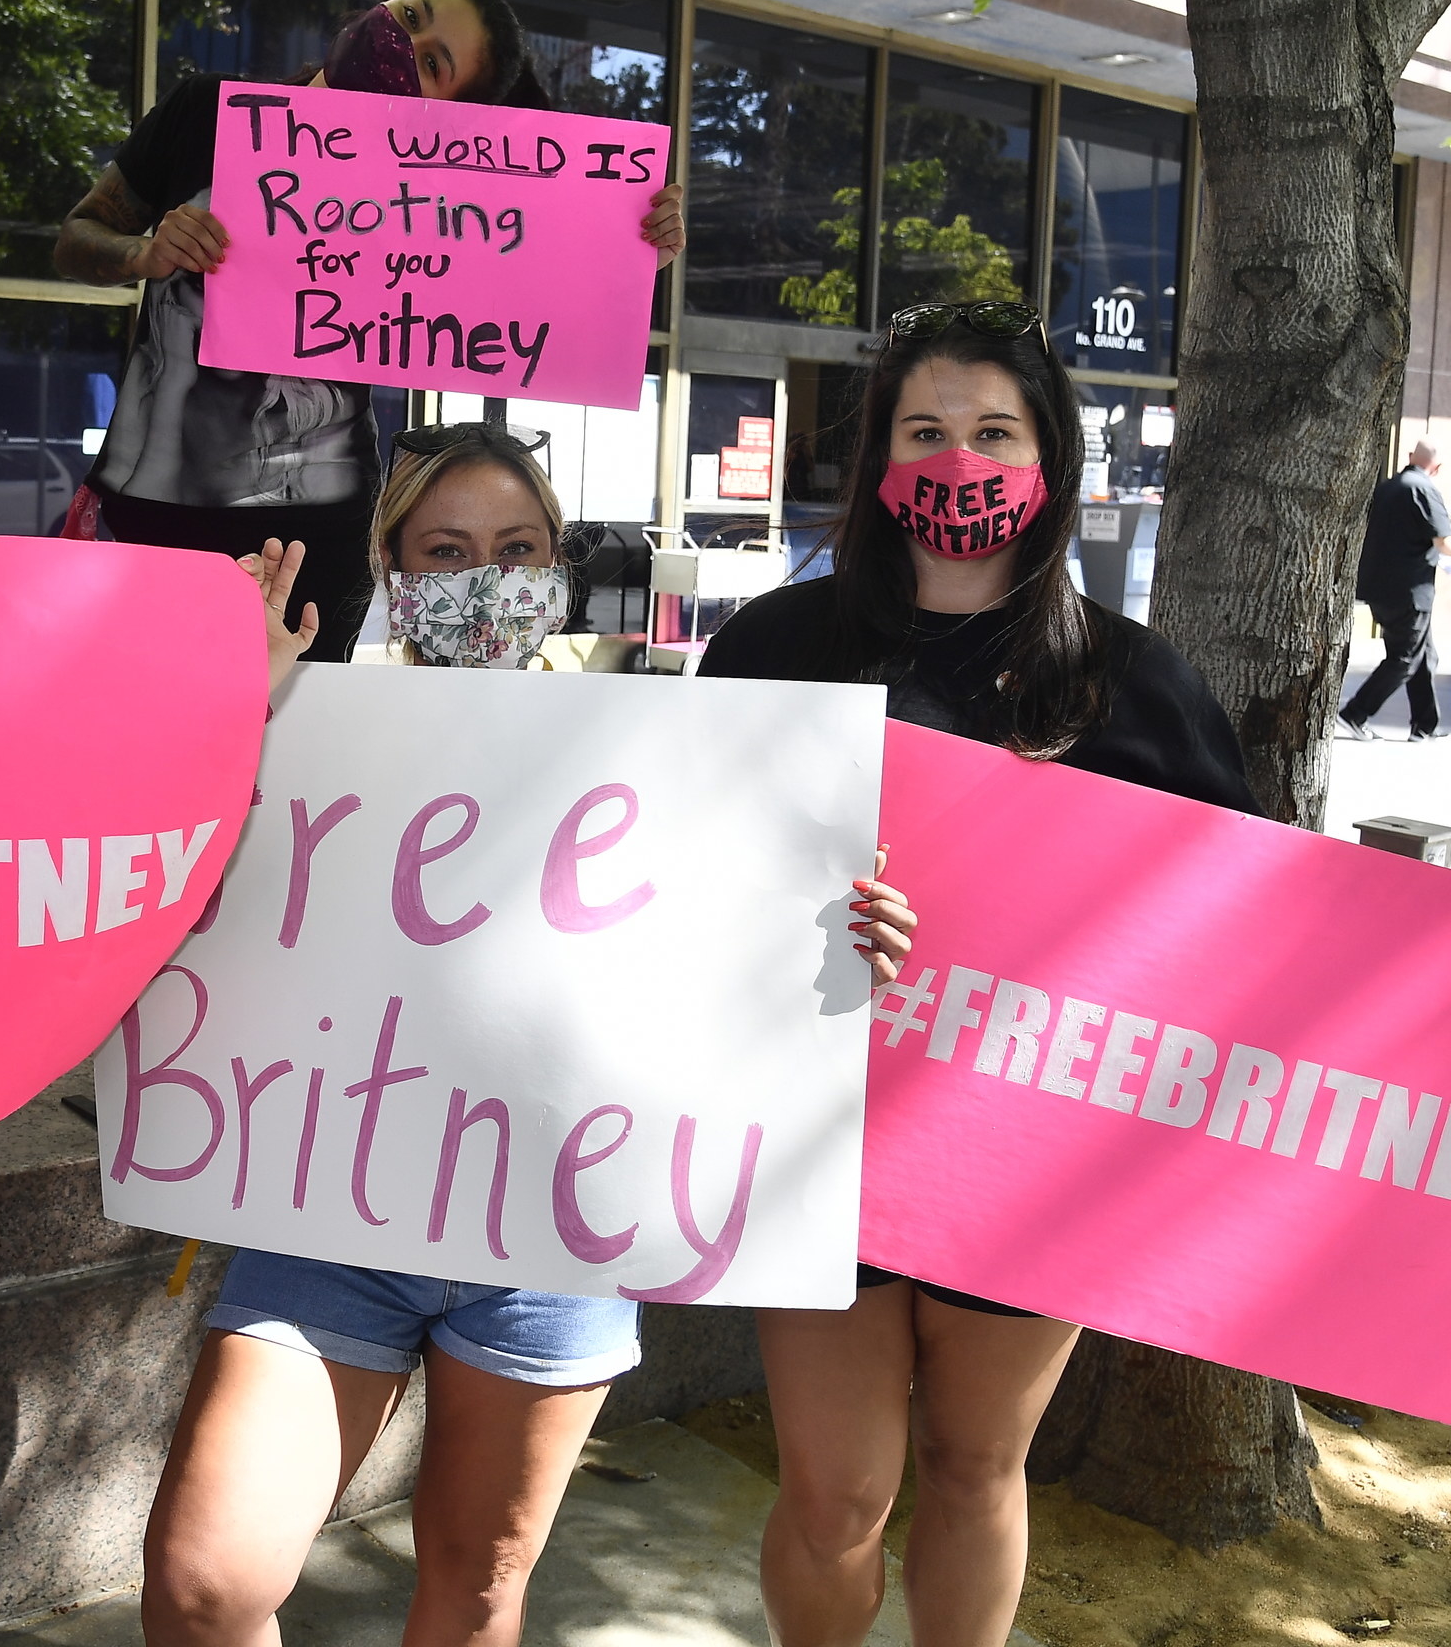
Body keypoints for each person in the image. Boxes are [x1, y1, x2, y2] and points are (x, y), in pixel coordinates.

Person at [694, 304, 1451, 1647]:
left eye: (991, 433)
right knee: (836, 1494)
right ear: (877, 460)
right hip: (814, 1138)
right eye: (924, 432)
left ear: (1049, 461)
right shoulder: (769, 654)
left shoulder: (1136, 688)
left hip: (1026, 1162)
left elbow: (1280, 946)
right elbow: (669, 881)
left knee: (975, 1467)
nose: (957, 461)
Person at [142, 419, 895, 1647]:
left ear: (559, 567)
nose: (485, 578)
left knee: (479, 1590)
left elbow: (743, 953)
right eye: (446, 549)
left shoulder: (664, 751)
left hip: (551, 1231)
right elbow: (167, 881)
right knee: (204, 1582)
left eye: (517, 546)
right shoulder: (301, 726)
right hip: (331, 1211)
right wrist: (238, 703)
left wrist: (841, 935)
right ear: (392, 573)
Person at [53, 0, 686, 661]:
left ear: (451, 121)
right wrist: (142, 253)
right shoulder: (206, 111)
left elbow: (523, 305)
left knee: (282, 755)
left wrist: (628, 257)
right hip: (146, 512)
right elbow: (75, 237)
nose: (404, 43)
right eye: (412, 17)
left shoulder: (444, 201)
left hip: (315, 541)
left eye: (434, 63)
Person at [1337, 439, 1451, 741]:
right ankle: (1355, 713)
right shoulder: (1423, 489)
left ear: (1411, 457)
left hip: (1379, 588)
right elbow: (1443, 540)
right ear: (1437, 468)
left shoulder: (1387, 488)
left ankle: (1425, 726)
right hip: (1410, 591)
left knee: (1424, 655)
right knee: (1405, 658)